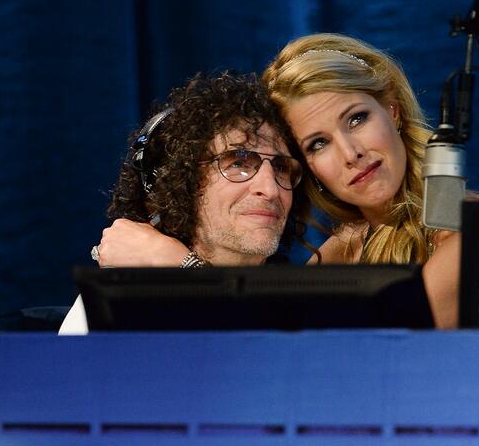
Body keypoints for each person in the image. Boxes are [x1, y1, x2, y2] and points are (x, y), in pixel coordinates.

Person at [86, 34, 462, 328]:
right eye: (318, 144)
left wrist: (179, 266)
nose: (351, 153)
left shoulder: (465, 236)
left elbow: (342, 366)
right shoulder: (344, 247)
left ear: (392, 110)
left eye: (356, 119)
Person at [59, 71, 308, 334]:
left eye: (281, 168)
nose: (270, 189)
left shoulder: (304, 303)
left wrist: (185, 268)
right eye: (238, 163)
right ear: (180, 182)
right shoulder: (115, 303)